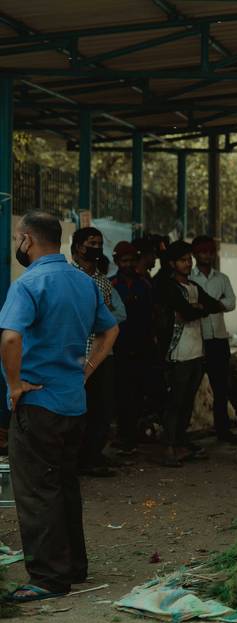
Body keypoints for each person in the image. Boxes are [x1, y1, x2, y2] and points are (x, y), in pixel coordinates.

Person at [0, 210, 118, 602]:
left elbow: (10, 340)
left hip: (38, 403)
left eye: (19, 239)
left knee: (36, 490)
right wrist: (85, 370)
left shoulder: (28, 283)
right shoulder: (83, 282)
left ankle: (48, 578)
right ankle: (73, 566)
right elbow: (111, 328)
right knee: (65, 485)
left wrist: (15, 386)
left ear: (27, 239)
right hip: (72, 401)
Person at [155, 241, 221, 467]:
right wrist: (196, 309)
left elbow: (214, 305)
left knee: (187, 402)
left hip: (196, 351)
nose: (188, 263)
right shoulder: (169, 287)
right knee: (175, 401)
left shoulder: (192, 286)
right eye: (183, 260)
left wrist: (195, 310)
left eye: (188, 259)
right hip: (178, 352)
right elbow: (188, 311)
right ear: (172, 263)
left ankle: (180, 443)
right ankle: (168, 447)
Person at [71, 227, 126, 477]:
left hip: (103, 352)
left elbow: (115, 315)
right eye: (92, 242)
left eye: (100, 243)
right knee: (78, 409)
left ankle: (92, 456)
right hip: (76, 352)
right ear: (79, 247)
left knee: (102, 408)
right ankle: (77, 459)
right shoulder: (69, 276)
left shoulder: (103, 281)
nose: (96, 247)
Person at [191, 235, 237, 443]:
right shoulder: (189, 279)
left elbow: (232, 303)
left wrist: (211, 306)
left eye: (210, 252)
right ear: (195, 254)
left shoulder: (222, 279)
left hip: (218, 339)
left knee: (220, 388)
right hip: (196, 339)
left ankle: (222, 431)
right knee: (190, 387)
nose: (207, 256)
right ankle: (183, 431)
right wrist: (217, 304)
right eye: (203, 252)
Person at [110, 241, 156, 453]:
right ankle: (124, 434)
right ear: (117, 261)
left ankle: (135, 433)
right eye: (124, 261)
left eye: (131, 260)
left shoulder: (146, 284)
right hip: (119, 346)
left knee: (139, 392)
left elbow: (152, 315)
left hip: (143, 345)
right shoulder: (111, 285)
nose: (128, 264)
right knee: (121, 392)